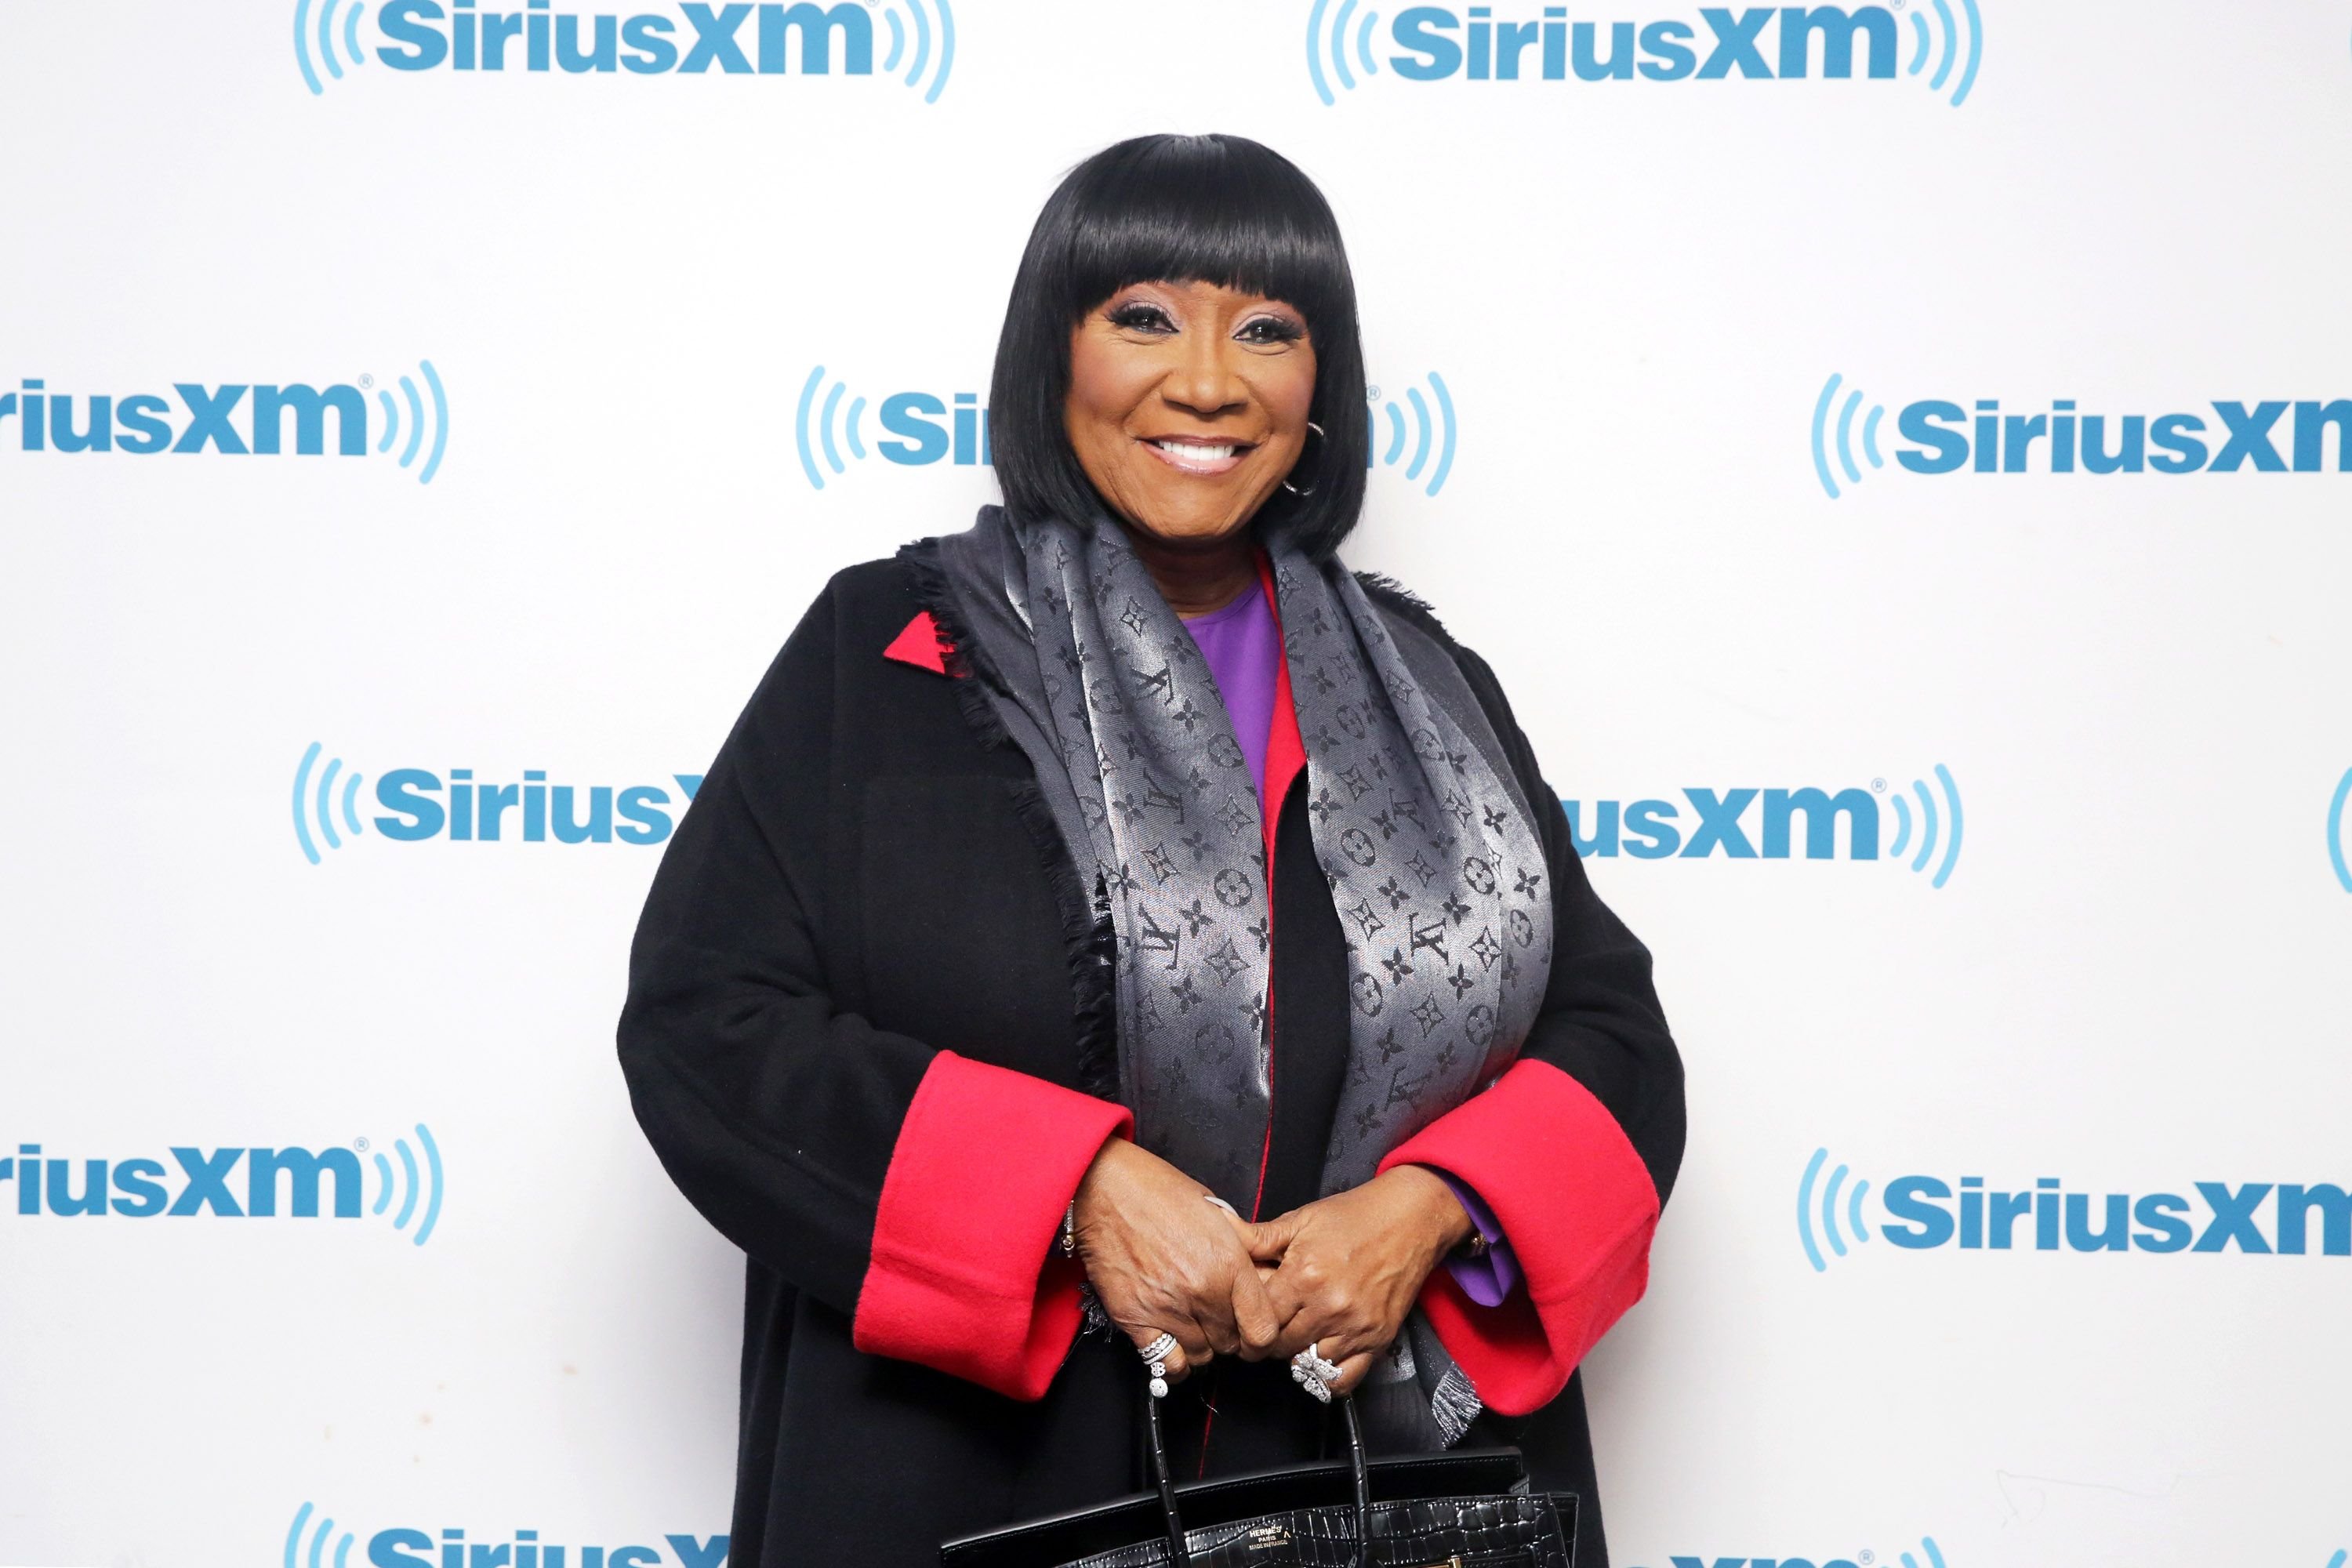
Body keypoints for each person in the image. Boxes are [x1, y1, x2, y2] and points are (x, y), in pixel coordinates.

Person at [617, 132, 1684, 1568]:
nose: (1207, 381)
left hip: (1376, 1493)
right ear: (1052, 360)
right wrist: (1069, 1194)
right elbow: (707, 1027)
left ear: (1324, 386)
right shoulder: (892, 654)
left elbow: (1610, 1030)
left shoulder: (1431, 688)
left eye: (1266, 329)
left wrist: (1434, 1209)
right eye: (1142, 318)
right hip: (973, 1486)